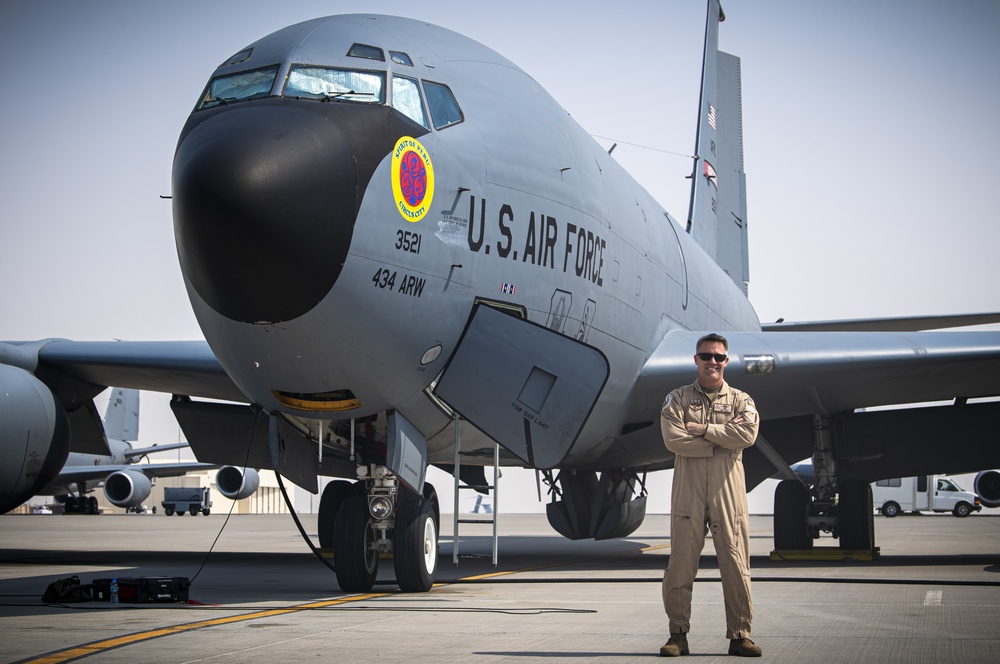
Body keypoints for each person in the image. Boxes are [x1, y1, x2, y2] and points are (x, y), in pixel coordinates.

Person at [658, 333, 762, 657]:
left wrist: (704, 430)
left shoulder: (741, 400)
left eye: (718, 357)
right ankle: (678, 635)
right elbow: (673, 439)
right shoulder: (676, 399)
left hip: (727, 491)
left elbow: (747, 433)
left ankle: (740, 635)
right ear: (696, 359)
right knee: (681, 563)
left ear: (726, 361)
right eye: (706, 356)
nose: (712, 362)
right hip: (688, 491)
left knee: (735, 561)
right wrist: (723, 439)